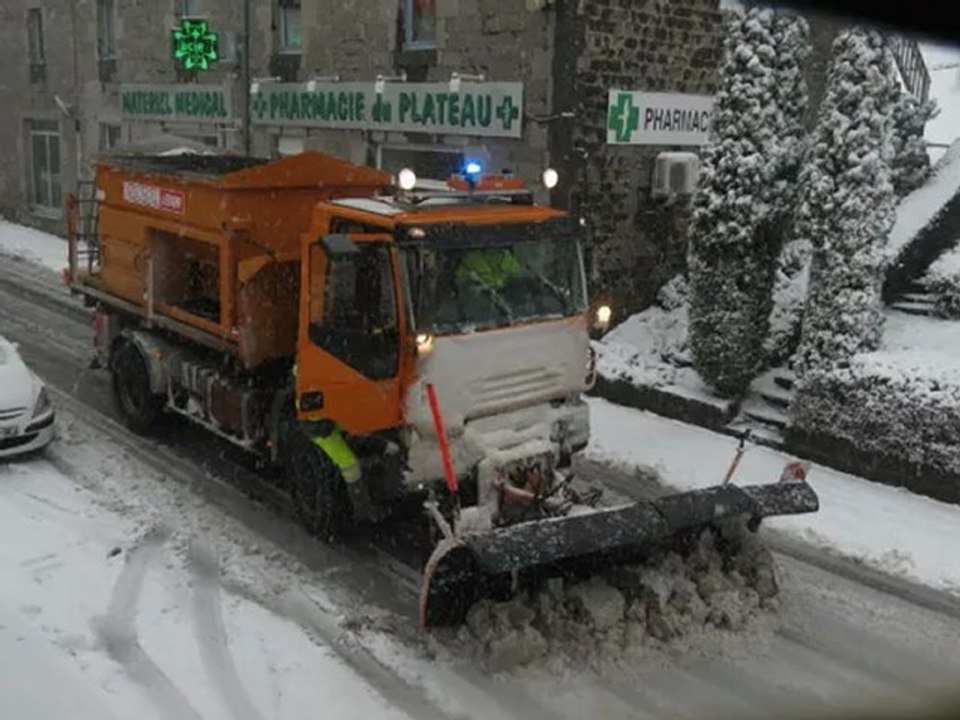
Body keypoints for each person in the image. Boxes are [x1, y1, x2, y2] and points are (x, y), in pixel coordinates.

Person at [454, 246, 522, 291]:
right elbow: (458, 282)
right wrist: (474, 283)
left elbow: (521, 280)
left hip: (507, 303)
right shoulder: (471, 259)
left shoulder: (510, 261)